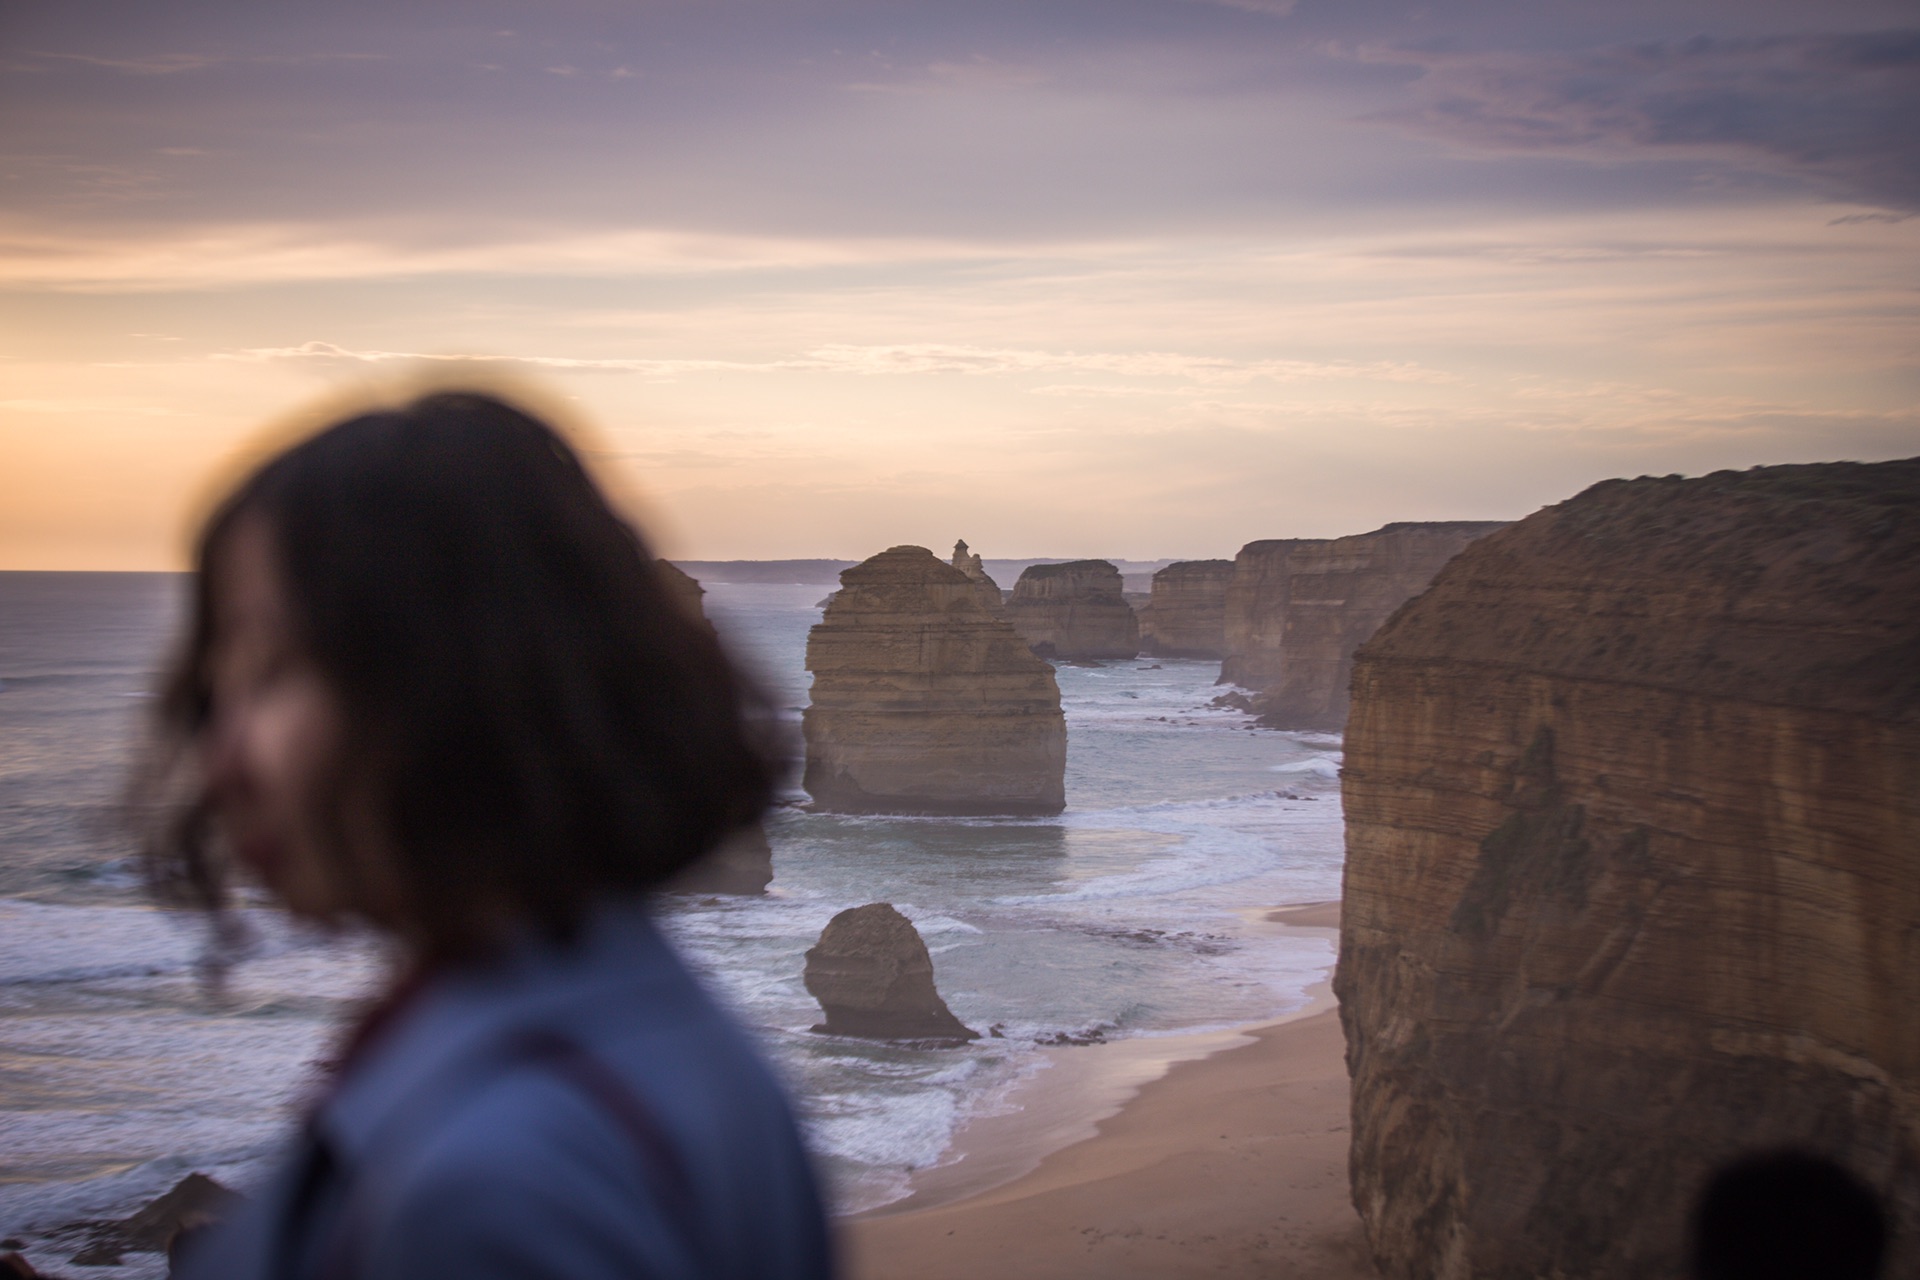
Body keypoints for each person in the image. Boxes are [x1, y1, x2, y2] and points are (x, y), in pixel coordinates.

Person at [138, 389, 835, 1280]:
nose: (221, 754)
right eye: (216, 690)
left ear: (453, 681)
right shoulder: (682, 1046)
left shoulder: (490, 1188)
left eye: (271, 669)